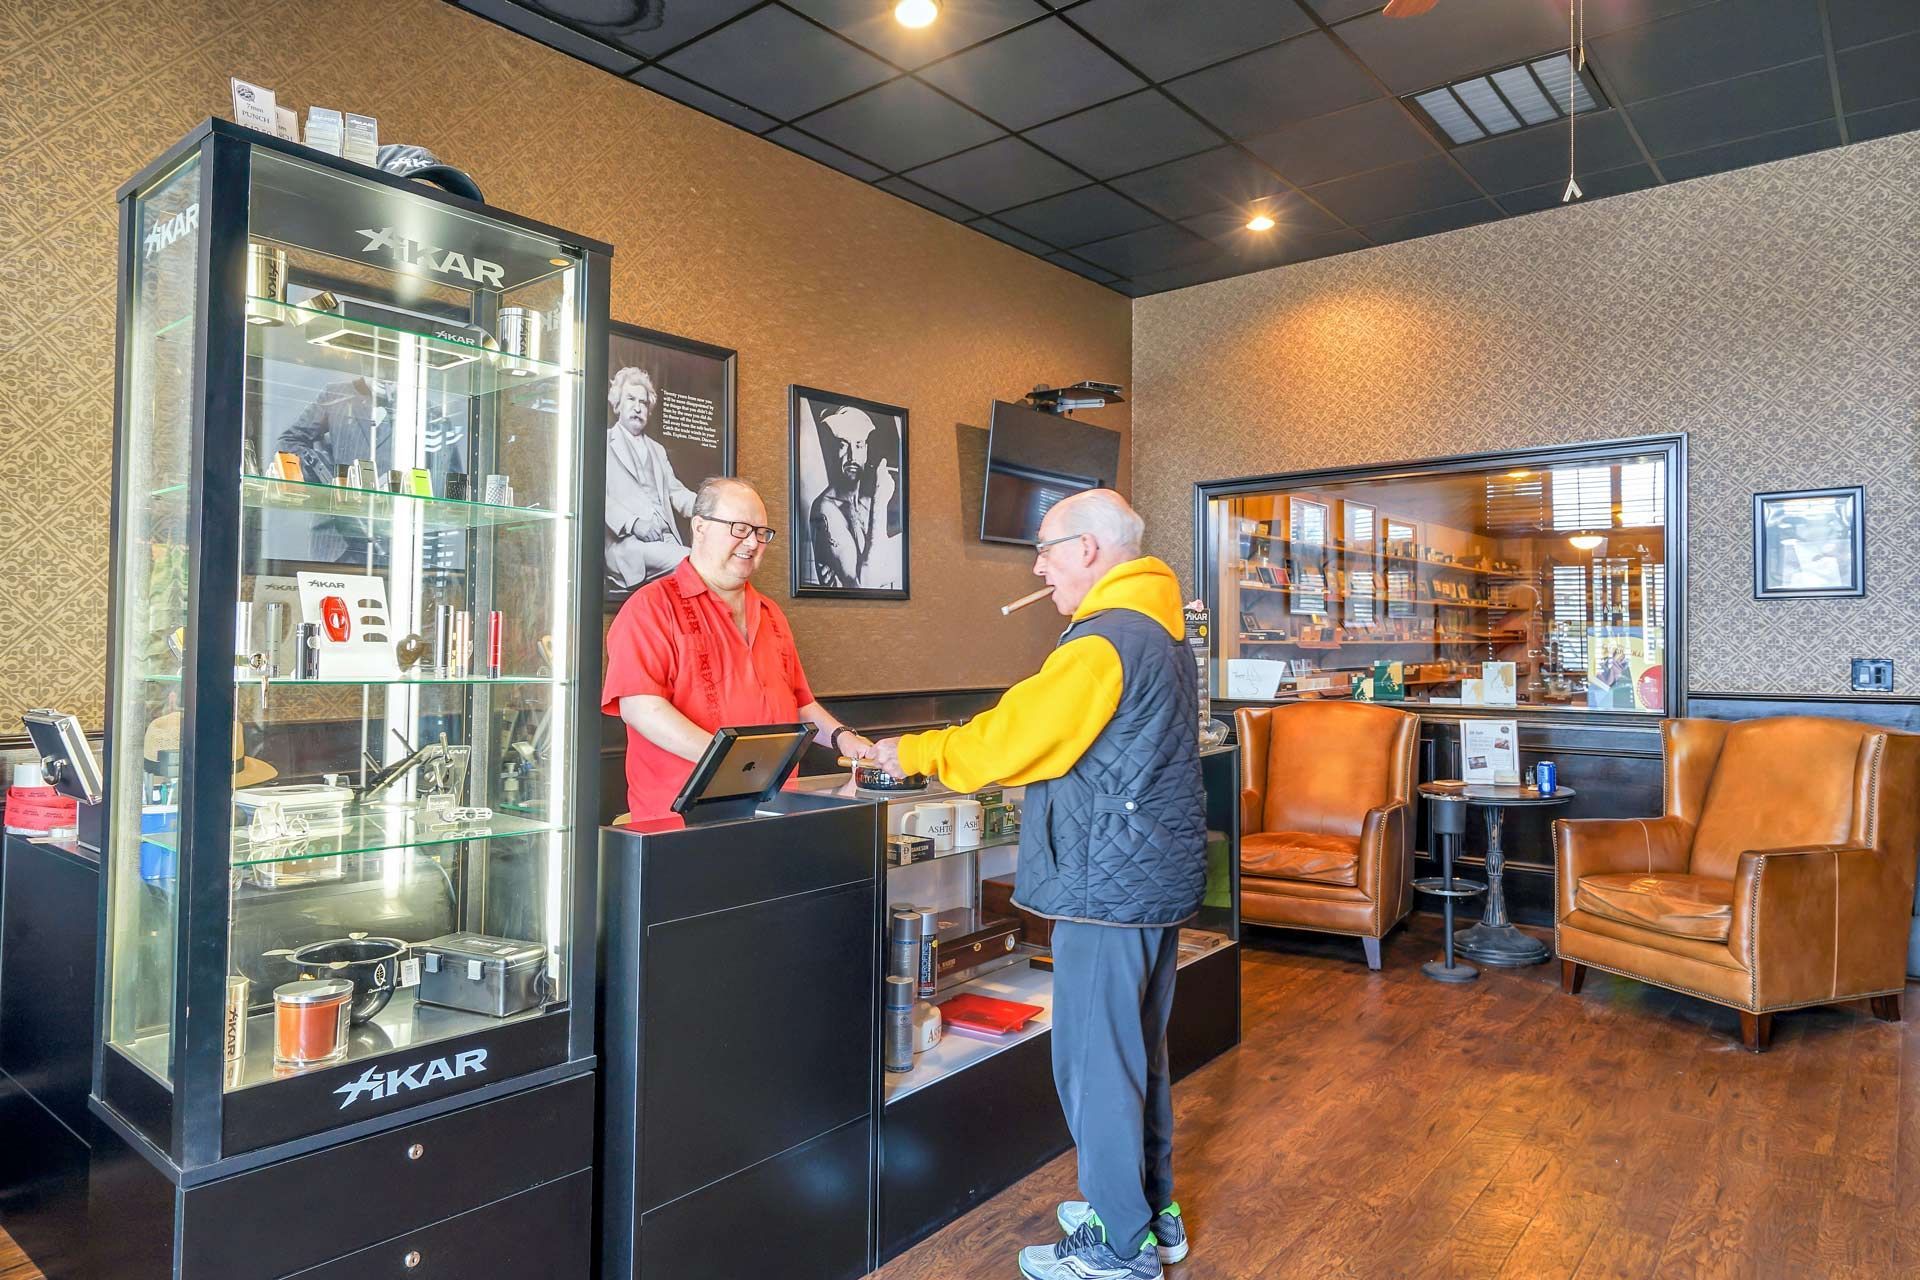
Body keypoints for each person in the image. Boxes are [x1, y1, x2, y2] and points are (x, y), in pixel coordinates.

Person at [871, 490, 1206, 1280]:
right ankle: (1148, 1212)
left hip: (1107, 887)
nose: (1038, 567)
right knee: (1136, 1054)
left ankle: (1119, 1245)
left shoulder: (1104, 639)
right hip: (1147, 881)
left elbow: (1011, 739)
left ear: (1088, 549)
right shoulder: (1159, 627)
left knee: (1095, 1064)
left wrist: (913, 751)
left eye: (1046, 549)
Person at [603, 476, 875, 821]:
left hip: (774, 812)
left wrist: (843, 737)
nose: (752, 543)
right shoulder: (651, 607)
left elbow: (799, 703)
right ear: (700, 527)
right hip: (680, 823)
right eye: (740, 529)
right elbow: (641, 708)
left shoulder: (771, 614)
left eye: (761, 533)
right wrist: (733, 763)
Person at [606, 365, 697, 592]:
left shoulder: (657, 449)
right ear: (617, 404)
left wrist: (711, 506)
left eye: (644, 403)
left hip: (667, 539)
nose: (638, 408)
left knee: (704, 566)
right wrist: (634, 523)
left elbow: (676, 492)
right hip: (629, 545)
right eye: (631, 399)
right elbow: (594, 496)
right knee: (694, 565)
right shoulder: (602, 442)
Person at [808, 403, 899, 590]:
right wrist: (880, 504)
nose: (852, 456)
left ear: (865, 451)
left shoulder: (866, 501)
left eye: (858, 445)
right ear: (832, 450)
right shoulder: (825, 509)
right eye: (843, 445)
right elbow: (863, 585)